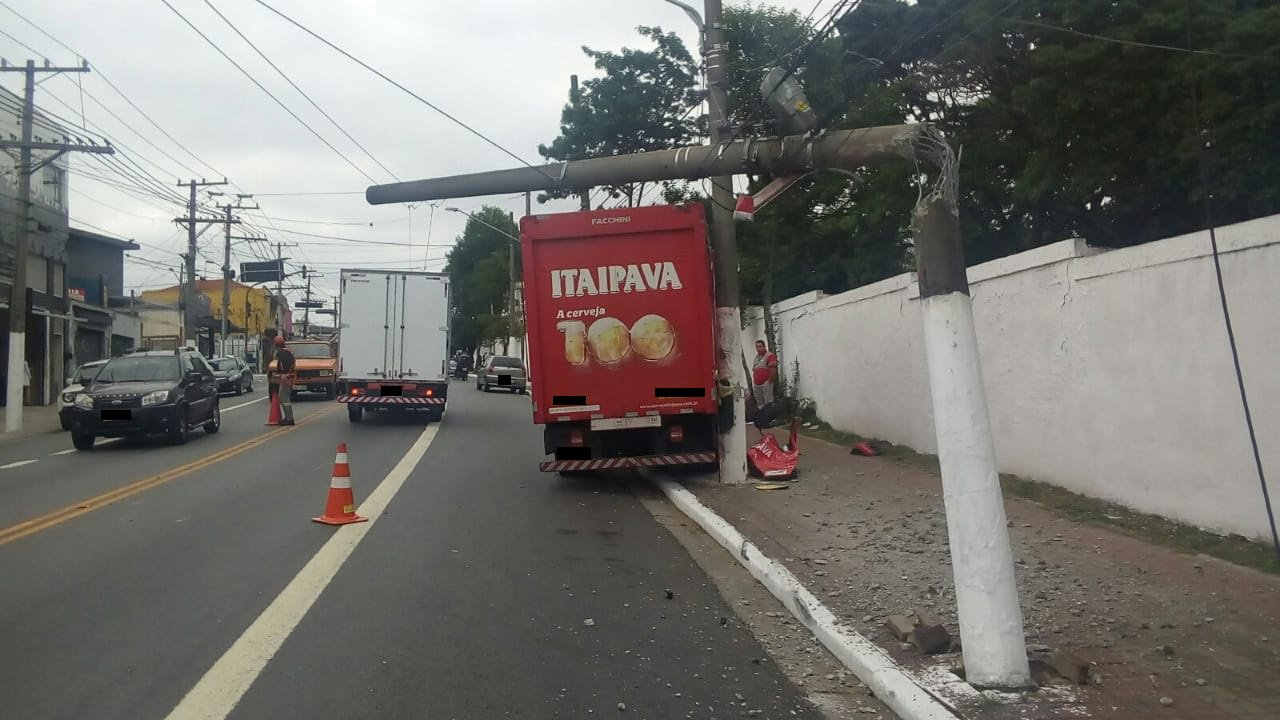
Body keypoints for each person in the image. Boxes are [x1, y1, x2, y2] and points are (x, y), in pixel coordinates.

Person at [273, 336, 296, 426]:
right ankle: (287, 417)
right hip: (288, 376)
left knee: (284, 398)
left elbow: (286, 366)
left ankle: (289, 418)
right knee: (282, 397)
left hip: (287, 377)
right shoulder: (287, 351)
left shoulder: (282, 353)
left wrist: (286, 375)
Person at [751, 339, 778, 408]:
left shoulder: (769, 355)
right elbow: (755, 370)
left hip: (766, 384)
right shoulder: (756, 357)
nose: (758, 348)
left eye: (760, 346)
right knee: (760, 405)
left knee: (768, 403)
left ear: (764, 347)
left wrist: (769, 381)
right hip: (757, 385)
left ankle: (770, 418)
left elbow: (773, 369)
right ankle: (762, 417)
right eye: (757, 347)